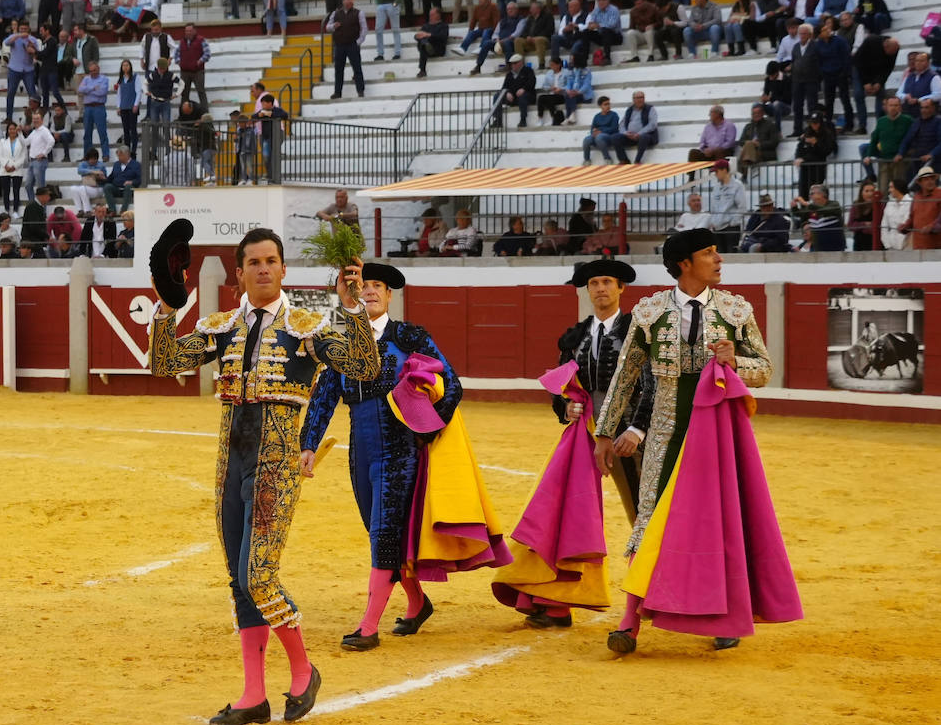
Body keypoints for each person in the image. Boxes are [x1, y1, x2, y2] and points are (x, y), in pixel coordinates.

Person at [149, 228, 379, 725]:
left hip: (275, 461)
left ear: (283, 269)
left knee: (259, 576)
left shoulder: (307, 324)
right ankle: (253, 695)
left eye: (271, 260)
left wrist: (355, 307)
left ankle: (303, 669)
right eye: (253, 262)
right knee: (239, 579)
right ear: (240, 273)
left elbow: (364, 364)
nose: (263, 269)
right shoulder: (223, 326)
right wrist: (167, 306)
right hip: (229, 460)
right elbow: (164, 364)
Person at [596, 227, 799, 655]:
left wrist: (734, 361)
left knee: (720, 523)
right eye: (709, 253)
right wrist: (605, 432)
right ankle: (630, 621)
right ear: (684, 263)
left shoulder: (735, 309)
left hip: (717, 433)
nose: (719, 259)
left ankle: (726, 617)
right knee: (649, 519)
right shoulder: (649, 312)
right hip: (666, 433)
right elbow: (625, 376)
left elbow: (764, 369)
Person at [301, 261, 508, 650]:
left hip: (400, 451)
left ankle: (368, 626)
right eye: (364, 286)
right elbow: (324, 396)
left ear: (390, 294)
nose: (371, 291)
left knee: (384, 533)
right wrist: (308, 444)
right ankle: (416, 602)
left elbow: (451, 383)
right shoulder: (339, 343)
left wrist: (429, 427)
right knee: (381, 534)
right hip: (360, 452)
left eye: (377, 286)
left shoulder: (409, 335)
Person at [493, 258, 652, 627]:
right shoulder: (575, 337)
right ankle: (556, 600)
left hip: (630, 438)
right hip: (584, 437)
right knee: (565, 513)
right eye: (594, 282)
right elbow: (560, 386)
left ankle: (654, 594)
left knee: (644, 518)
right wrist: (565, 408)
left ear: (621, 288)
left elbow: (651, 386)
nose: (601, 289)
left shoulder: (638, 332)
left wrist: (638, 430)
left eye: (607, 282)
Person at [706, 159, 749, 252]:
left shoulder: (737, 185)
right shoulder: (716, 187)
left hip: (731, 228)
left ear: (724, 170)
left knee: (731, 255)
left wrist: (732, 222)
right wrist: (713, 222)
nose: (715, 174)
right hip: (717, 228)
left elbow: (742, 207)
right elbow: (713, 207)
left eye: (716, 171)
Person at [613, 91, 658, 165]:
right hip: (630, 137)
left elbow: (652, 124)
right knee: (615, 137)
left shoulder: (650, 109)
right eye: (637, 98)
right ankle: (624, 160)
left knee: (644, 137)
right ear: (633, 99)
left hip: (644, 136)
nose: (640, 100)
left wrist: (639, 134)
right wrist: (626, 133)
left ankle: (637, 161)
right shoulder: (629, 110)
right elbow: (621, 125)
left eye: (642, 97)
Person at [492, 53, 535, 127]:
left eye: (515, 63)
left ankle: (523, 120)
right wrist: (507, 93)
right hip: (513, 98)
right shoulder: (509, 74)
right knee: (497, 96)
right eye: (512, 64)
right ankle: (498, 120)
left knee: (523, 97)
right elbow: (504, 87)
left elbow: (532, 82)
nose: (513, 65)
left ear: (520, 62)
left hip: (527, 95)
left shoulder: (528, 71)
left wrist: (524, 89)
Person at [736, 103, 781, 176]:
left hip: (764, 153)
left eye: (758, 113)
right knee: (749, 144)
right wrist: (751, 143)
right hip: (750, 152)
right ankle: (746, 168)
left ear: (763, 113)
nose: (756, 115)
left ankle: (742, 173)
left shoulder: (770, 125)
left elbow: (774, 142)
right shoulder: (748, 126)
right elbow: (741, 142)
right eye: (754, 113)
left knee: (749, 144)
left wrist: (759, 144)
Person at [582, 95, 619, 165]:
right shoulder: (597, 116)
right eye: (605, 104)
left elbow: (614, 128)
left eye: (608, 104)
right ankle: (586, 160)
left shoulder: (614, 115)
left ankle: (607, 158)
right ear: (600, 106)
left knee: (599, 137)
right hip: (598, 135)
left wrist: (601, 131)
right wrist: (594, 132)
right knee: (586, 139)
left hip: (609, 136)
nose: (608, 106)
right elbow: (592, 128)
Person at [413, 7, 448, 79]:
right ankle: (426, 46)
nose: (430, 16)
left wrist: (429, 35)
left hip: (438, 48)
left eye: (432, 15)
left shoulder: (443, 26)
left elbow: (442, 37)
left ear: (438, 15)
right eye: (430, 15)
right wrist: (417, 36)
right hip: (425, 49)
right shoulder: (426, 26)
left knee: (425, 41)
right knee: (423, 42)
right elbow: (417, 36)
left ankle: (422, 70)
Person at [879, 178, 911, 251]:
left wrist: (904, 245)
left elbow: (907, 225)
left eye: (891, 187)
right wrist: (888, 245)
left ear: (898, 188)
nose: (889, 190)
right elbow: (884, 226)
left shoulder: (910, 203)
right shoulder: (889, 204)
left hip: (907, 246)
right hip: (891, 247)